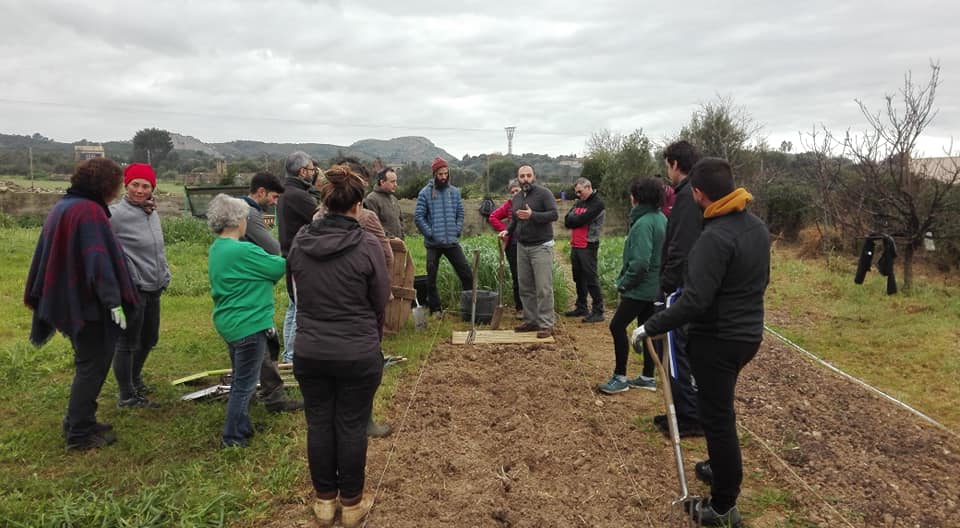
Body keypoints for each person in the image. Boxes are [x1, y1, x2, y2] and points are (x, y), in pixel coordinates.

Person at [633, 157, 770, 528]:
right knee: (718, 409)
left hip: (718, 341)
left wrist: (649, 326)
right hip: (747, 336)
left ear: (698, 193)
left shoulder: (715, 238)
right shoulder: (755, 227)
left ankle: (723, 507)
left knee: (718, 417)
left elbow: (694, 301)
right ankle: (717, 465)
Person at [288, 165, 390, 527]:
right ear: (359, 205)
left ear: (325, 201)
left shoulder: (301, 239)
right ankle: (351, 504)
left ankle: (324, 502)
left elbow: (293, 293)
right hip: (357, 351)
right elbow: (381, 300)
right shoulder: (367, 244)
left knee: (318, 423)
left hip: (310, 349)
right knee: (350, 425)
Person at [24, 157, 139, 450]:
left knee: (88, 363)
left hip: (73, 298)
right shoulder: (88, 211)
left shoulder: (65, 205)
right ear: (106, 184)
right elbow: (98, 262)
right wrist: (114, 302)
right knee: (93, 365)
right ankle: (79, 433)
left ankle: (81, 420)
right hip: (88, 305)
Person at [207, 194, 286, 448]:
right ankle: (233, 436)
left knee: (241, 375)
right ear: (239, 221)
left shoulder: (217, 248)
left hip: (229, 322)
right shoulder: (244, 249)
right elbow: (278, 267)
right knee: (245, 383)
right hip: (250, 323)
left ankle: (242, 425)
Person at [651, 139, 703, 437]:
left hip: (679, 287)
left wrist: (665, 288)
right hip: (690, 283)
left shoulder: (686, 197)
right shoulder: (695, 193)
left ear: (674, 164)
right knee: (681, 350)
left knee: (675, 350)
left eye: (667, 165)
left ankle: (688, 417)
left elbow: (680, 247)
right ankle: (683, 410)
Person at [109, 163, 170, 409]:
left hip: (154, 286)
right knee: (127, 343)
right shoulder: (115, 214)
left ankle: (135, 379)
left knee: (149, 339)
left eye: (146, 186)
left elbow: (156, 247)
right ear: (126, 184)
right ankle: (126, 395)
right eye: (135, 184)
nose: (140, 190)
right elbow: (104, 248)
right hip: (133, 288)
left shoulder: (150, 212)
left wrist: (164, 272)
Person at [242, 172, 304, 413]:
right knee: (261, 341)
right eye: (274, 197)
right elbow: (273, 248)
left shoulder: (243, 210)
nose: (276, 202)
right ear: (260, 192)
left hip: (248, 286)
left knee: (257, 343)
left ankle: (263, 394)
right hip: (252, 287)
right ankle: (270, 399)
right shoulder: (249, 213)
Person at [597, 178, 666, 394]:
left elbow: (640, 263)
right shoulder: (661, 218)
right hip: (655, 287)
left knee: (617, 326)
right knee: (645, 329)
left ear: (637, 198)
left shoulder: (643, 224)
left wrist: (623, 283)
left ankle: (620, 377)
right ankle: (647, 376)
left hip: (641, 288)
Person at [414, 157, 473, 315]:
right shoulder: (425, 193)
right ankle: (435, 309)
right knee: (431, 278)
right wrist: (430, 233)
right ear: (434, 174)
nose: (443, 177)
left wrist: (457, 229)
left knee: (466, 274)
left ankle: (468, 308)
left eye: (446, 173)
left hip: (452, 242)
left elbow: (460, 213)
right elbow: (419, 217)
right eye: (440, 174)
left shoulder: (454, 192)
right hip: (434, 243)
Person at [277, 151, 319, 363]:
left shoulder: (286, 191)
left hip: (289, 254)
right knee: (300, 308)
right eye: (312, 170)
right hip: (300, 258)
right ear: (302, 172)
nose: (314, 174)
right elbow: (321, 218)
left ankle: (288, 355)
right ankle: (292, 357)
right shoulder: (299, 196)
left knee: (293, 307)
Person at [509, 165, 559, 339]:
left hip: (541, 246)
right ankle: (531, 321)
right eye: (522, 176)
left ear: (534, 177)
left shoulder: (544, 194)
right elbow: (514, 220)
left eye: (528, 175)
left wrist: (533, 215)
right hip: (522, 246)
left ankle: (546, 324)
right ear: (518, 178)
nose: (525, 179)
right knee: (525, 287)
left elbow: (554, 214)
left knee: (543, 287)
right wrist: (507, 232)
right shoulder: (516, 197)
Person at [563, 177, 606, 323]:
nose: (578, 195)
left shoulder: (598, 204)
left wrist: (576, 219)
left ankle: (598, 310)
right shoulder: (579, 202)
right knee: (578, 277)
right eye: (576, 192)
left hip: (588, 245)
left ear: (588, 187)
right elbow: (567, 220)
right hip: (576, 244)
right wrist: (575, 219)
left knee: (591, 278)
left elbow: (580, 220)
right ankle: (582, 306)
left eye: (580, 191)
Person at [488, 179, 523, 318]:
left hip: (528, 243)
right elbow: (493, 217)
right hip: (512, 246)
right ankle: (520, 308)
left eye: (517, 191)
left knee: (528, 277)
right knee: (517, 276)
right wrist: (506, 229)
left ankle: (531, 307)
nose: (514, 193)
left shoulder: (529, 203)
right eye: (512, 191)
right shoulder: (508, 206)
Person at [364, 167, 404, 239]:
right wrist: (391, 238)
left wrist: (402, 237)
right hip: (381, 245)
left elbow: (400, 220)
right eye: (392, 182)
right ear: (382, 182)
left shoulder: (394, 199)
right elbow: (374, 226)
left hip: (397, 245)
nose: (396, 184)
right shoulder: (371, 199)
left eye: (396, 181)